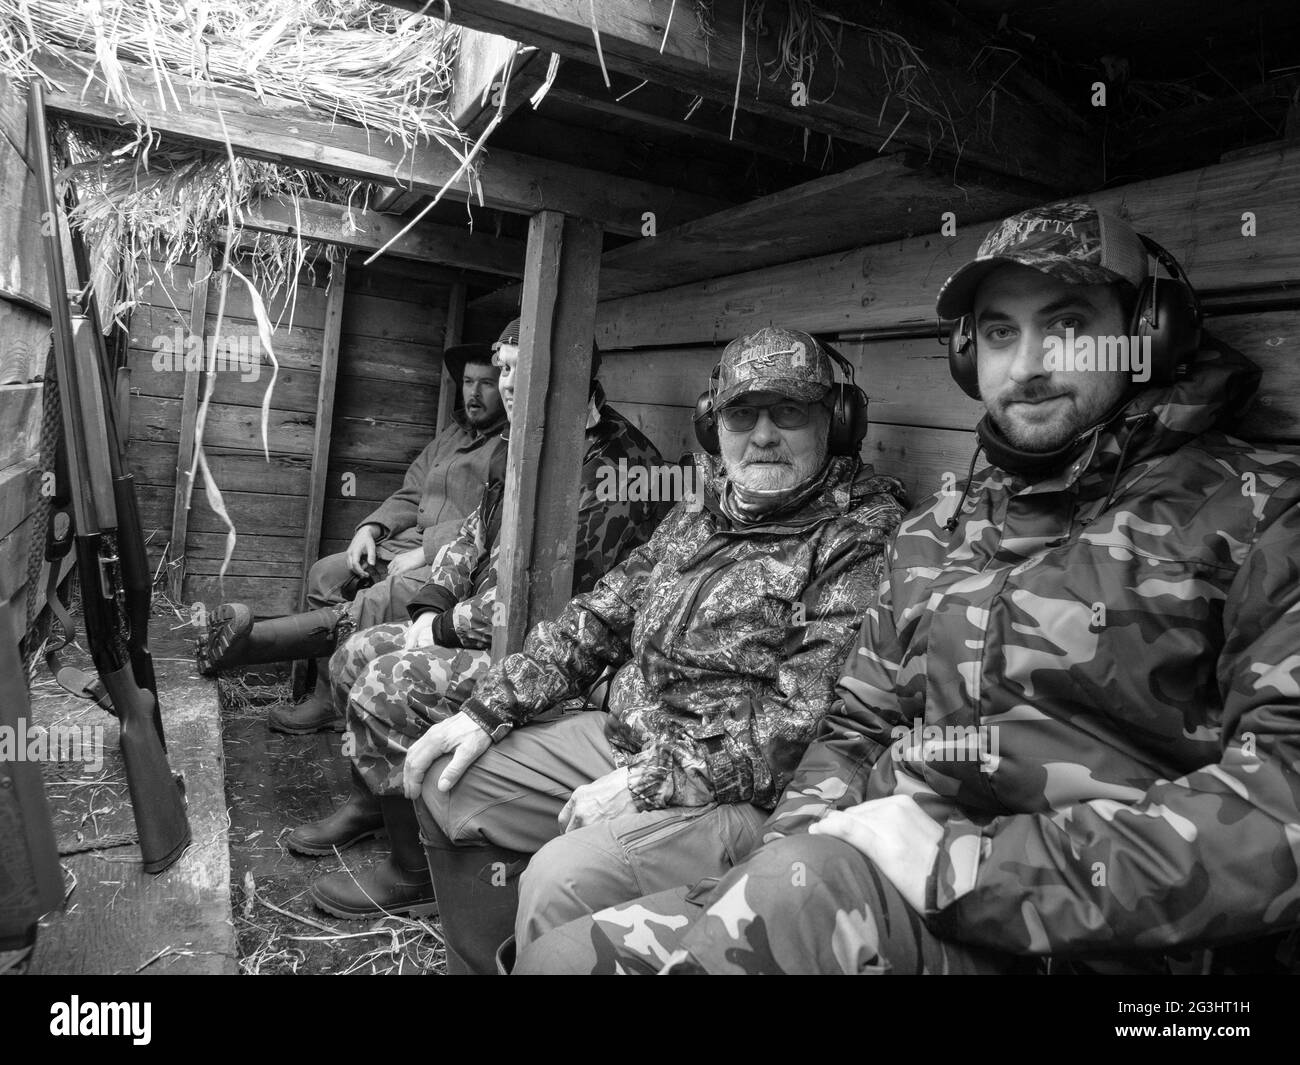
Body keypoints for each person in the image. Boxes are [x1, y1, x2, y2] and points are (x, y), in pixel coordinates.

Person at [517, 202, 1300, 976]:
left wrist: (970, 866)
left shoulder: (1263, 511)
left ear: (1146, 334)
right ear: (968, 355)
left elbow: (1283, 805)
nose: (1027, 365)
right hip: (871, 888)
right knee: (562, 956)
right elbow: (854, 727)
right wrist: (791, 847)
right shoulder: (940, 530)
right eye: (999, 333)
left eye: (1067, 326)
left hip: (1111, 954)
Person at [406, 326, 909, 972]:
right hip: (628, 737)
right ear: (711, 425)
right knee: (448, 782)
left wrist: (651, 782)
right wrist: (487, 708)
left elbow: (802, 722)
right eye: (741, 413)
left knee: (560, 879)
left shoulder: (858, 535)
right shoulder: (705, 506)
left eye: (788, 411)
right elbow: (603, 613)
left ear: (835, 422)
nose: (762, 435)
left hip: (736, 792)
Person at [293, 319, 666, 919]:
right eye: (506, 367)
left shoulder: (617, 468)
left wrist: (444, 629)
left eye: (525, 368)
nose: (509, 383)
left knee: (388, 682)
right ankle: (377, 806)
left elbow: (561, 601)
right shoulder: (523, 439)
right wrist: (434, 601)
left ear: (572, 376)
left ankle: (415, 870)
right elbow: (473, 535)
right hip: (489, 626)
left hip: (561, 660)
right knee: (353, 654)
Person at [197, 342, 507, 734]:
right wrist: (371, 528)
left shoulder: (510, 445)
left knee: (375, 599)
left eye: (487, 384)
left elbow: (489, 521)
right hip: (411, 539)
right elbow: (412, 493)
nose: (474, 394)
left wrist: (425, 552)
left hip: (456, 563)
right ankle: (321, 689)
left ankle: (311, 687)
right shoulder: (453, 433)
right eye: (467, 382)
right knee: (327, 573)